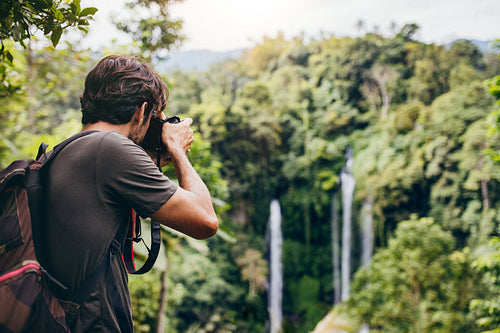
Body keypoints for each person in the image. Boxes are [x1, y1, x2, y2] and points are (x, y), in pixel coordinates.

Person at [42, 55, 218, 332]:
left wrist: (152, 156)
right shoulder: (110, 149)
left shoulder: (65, 150)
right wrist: (176, 148)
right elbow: (206, 221)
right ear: (141, 110)